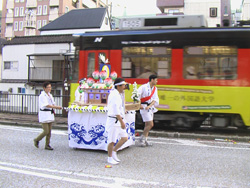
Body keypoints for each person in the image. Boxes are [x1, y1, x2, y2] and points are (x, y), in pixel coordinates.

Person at [33, 82, 62, 150]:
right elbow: (46, 105)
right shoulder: (42, 96)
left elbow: (52, 104)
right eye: (48, 87)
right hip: (44, 114)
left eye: (50, 87)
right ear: (44, 88)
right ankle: (37, 139)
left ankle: (47, 145)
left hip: (50, 114)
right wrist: (56, 107)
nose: (49, 88)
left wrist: (56, 107)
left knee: (49, 132)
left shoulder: (50, 95)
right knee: (46, 131)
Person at [106, 78, 128, 165]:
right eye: (123, 85)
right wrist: (122, 122)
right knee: (112, 140)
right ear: (118, 86)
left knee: (124, 138)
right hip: (114, 121)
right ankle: (109, 157)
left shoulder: (118, 94)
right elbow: (115, 110)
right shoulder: (114, 95)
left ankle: (114, 152)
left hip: (119, 120)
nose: (124, 87)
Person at [138, 74, 159, 147]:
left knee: (147, 125)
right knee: (150, 124)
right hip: (144, 107)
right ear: (152, 80)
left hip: (150, 108)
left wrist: (150, 105)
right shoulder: (143, 87)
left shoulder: (155, 89)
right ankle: (142, 138)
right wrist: (139, 105)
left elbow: (155, 99)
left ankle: (145, 139)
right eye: (156, 80)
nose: (157, 81)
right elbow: (137, 96)